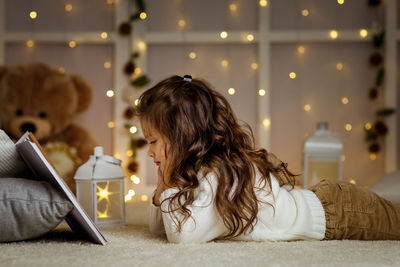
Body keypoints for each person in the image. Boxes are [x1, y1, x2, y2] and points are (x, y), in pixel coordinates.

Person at [135, 75, 400, 243]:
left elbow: (183, 237)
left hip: (340, 213)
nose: (149, 152)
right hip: (326, 201)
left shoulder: (220, 173)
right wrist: (162, 192)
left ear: (183, 136)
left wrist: (169, 188)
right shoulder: (197, 170)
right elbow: (162, 229)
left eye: (153, 142)